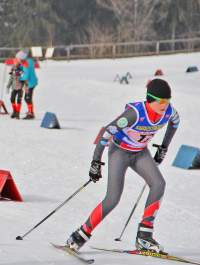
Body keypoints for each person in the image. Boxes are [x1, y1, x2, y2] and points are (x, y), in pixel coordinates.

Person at [65, 78, 180, 253]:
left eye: (168, 100)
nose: (166, 104)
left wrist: (164, 147)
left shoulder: (168, 112)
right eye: (162, 101)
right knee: (113, 199)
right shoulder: (134, 114)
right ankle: (80, 235)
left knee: (159, 184)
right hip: (119, 153)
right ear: (150, 99)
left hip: (140, 153)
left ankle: (144, 237)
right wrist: (96, 162)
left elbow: (175, 123)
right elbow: (106, 132)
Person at [17, 50, 38, 120]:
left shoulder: (26, 64)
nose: (18, 60)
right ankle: (30, 111)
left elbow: (26, 76)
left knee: (27, 98)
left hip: (30, 83)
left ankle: (31, 113)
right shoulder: (29, 61)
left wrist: (20, 78)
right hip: (32, 82)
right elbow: (23, 68)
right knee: (28, 98)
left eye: (19, 59)